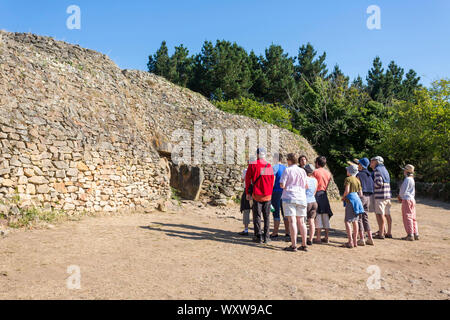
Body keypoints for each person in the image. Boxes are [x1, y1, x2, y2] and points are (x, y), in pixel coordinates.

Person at [245, 148, 275, 244]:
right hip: (267, 195)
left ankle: (258, 236)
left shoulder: (253, 165)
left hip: (257, 194)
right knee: (266, 216)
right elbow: (271, 181)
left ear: (257, 154)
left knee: (257, 216)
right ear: (265, 155)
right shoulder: (268, 166)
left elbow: (247, 179)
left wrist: (247, 193)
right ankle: (266, 237)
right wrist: (270, 193)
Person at [280, 153, 309, 252]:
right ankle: (304, 244)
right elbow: (306, 186)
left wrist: (287, 186)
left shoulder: (287, 170)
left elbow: (282, 185)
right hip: (301, 197)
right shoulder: (302, 171)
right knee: (301, 222)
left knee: (292, 221)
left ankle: (294, 245)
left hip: (289, 197)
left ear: (289, 160)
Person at [341, 165, 364, 248]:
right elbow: (361, 194)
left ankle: (350, 241)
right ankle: (355, 242)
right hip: (357, 201)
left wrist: (343, 197)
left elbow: (347, 191)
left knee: (347, 221)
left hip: (351, 201)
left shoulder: (348, 179)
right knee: (355, 221)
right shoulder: (358, 180)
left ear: (349, 171)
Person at [370, 156, 392, 240]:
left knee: (380, 214)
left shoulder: (377, 170)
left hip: (380, 196)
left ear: (376, 162)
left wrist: (370, 185)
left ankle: (381, 233)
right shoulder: (385, 170)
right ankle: (388, 232)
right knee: (387, 214)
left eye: (372, 161)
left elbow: (378, 183)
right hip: (387, 195)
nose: (371, 162)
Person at [313, 156, 334, 244]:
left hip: (317, 193)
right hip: (324, 194)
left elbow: (313, 184)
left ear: (317, 163)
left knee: (317, 216)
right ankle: (326, 237)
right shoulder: (328, 173)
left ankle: (318, 237)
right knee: (325, 216)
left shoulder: (315, 172)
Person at [356, 158, 375, 246]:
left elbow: (356, 187)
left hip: (361, 197)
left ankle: (362, 238)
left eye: (359, 164)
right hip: (368, 197)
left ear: (361, 165)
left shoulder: (359, 175)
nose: (358, 165)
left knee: (359, 217)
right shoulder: (370, 174)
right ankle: (370, 238)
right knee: (365, 217)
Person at [398, 164, 419, 241]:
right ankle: (415, 233)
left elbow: (403, 190)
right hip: (412, 199)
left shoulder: (407, 179)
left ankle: (410, 234)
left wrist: (400, 196)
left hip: (407, 199)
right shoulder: (412, 179)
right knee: (413, 217)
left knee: (407, 217)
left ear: (406, 171)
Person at [270, 153, 289, 240]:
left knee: (275, 211)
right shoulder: (286, 168)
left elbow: (272, 180)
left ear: (275, 159)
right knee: (285, 213)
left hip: (276, 192)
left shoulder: (274, 168)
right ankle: (287, 232)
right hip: (285, 192)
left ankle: (275, 232)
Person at [238, 158, 256, 236]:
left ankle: (246, 229)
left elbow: (242, 180)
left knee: (246, 210)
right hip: (255, 192)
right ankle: (257, 229)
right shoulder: (257, 170)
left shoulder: (245, 170)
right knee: (256, 211)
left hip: (247, 191)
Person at [304, 164, 318, 246]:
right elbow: (314, 192)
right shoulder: (315, 180)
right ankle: (310, 239)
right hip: (313, 201)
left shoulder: (304, 179)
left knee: (303, 222)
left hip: (306, 202)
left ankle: (304, 238)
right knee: (311, 221)